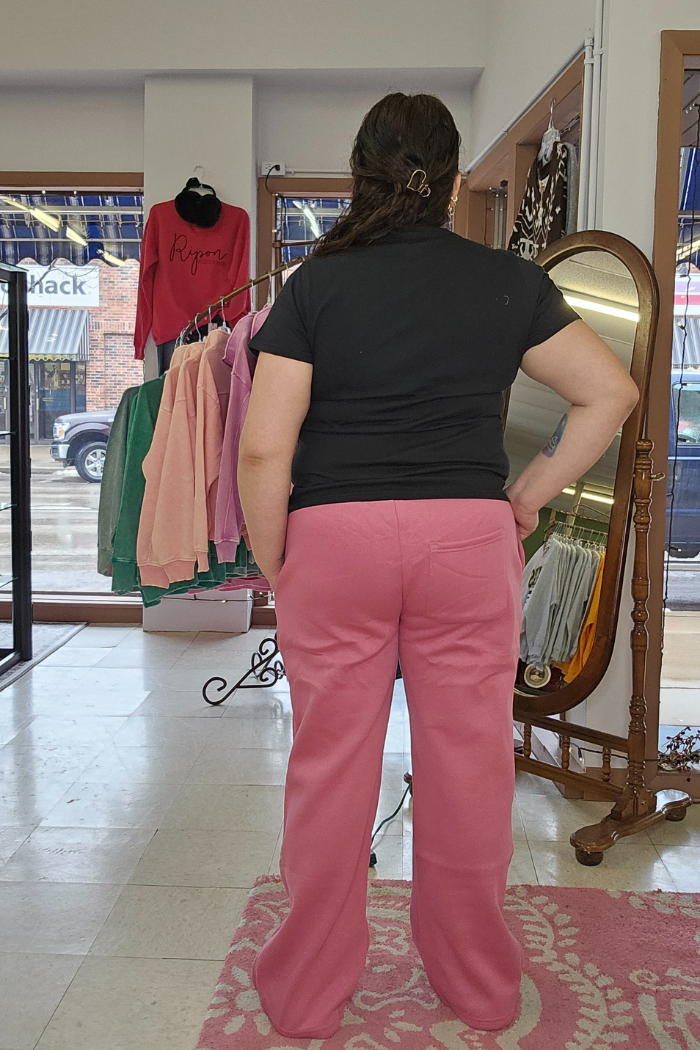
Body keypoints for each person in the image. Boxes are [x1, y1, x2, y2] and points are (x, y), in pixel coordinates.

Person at [238, 92, 639, 1039]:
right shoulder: (506, 281)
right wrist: (530, 493)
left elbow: (263, 452)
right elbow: (610, 392)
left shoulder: (314, 286)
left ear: (360, 176)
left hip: (336, 541)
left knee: (329, 768)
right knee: (468, 771)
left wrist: (275, 561)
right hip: (466, 540)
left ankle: (304, 995)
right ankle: (478, 986)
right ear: (455, 182)